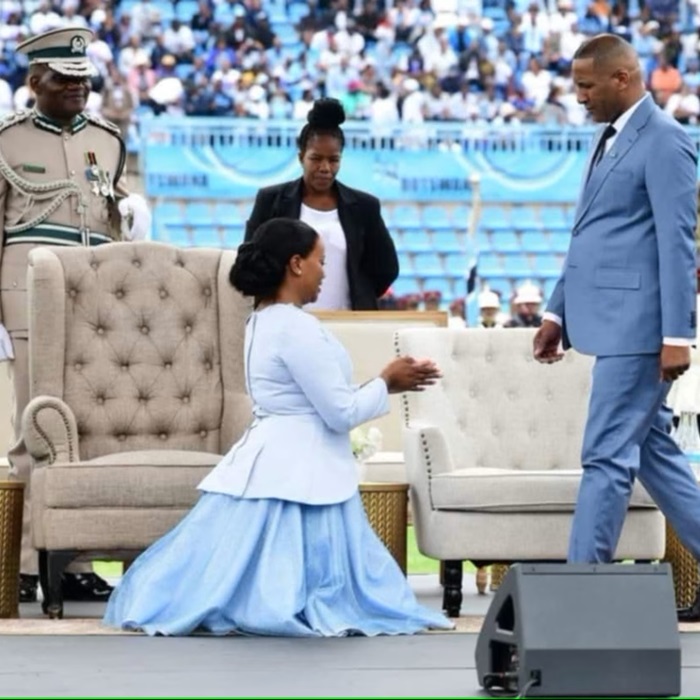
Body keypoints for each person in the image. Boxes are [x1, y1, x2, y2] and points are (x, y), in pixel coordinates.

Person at [103, 217, 453, 636]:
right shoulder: (295, 327)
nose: (325, 271)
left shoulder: (261, 321)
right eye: (320, 261)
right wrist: (387, 382)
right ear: (296, 264)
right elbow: (339, 412)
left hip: (273, 457)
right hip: (301, 466)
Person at [532, 34, 700, 621]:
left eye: (585, 85)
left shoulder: (666, 142)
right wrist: (557, 312)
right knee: (653, 454)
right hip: (611, 325)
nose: (577, 96)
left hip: (642, 331)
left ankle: (580, 601)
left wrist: (678, 334)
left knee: (605, 456)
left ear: (623, 79)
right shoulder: (608, 139)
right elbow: (591, 237)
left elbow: (679, 244)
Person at [0, 27, 151, 604]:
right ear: (34, 81)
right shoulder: (9, 141)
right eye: (63, 79)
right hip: (24, 289)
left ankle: (74, 561)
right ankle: (21, 562)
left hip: (88, 298)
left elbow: (110, 218)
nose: (77, 89)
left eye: (83, 80)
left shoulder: (107, 141)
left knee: (84, 428)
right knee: (30, 428)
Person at [244, 98, 399, 311]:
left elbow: (386, 268)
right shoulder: (270, 200)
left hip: (348, 326)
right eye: (316, 158)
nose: (325, 168)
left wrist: (361, 294)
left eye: (333, 160)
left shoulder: (364, 207)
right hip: (286, 325)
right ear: (301, 157)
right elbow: (249, 263)